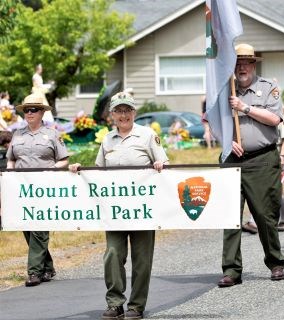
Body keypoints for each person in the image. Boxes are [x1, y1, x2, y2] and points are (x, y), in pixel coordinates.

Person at [69, 92, 168, 320]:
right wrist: (78, 170)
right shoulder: (107, 140)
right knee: (112, 254)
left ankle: (136, 306)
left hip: (143, 210)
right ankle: (115, 303)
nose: (123, 115)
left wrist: (160, 165)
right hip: (114, 211)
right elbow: (97, 173)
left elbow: (166, 166)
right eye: (118, 111)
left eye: (127, 110)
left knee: (142, 259)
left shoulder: (147, 135)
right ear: (111, 115)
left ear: (134, 113)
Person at [217, 43, 284, 288]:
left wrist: (244, 107)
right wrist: (226, 142)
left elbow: (275, 119)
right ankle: (231, 270)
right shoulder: (224, 89)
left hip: (261, 160)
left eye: (246, 62)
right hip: (232, 160)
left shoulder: (268, 88)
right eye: (237, 62)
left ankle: (275, 262)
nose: (241, 67)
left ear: (254, 64)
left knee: (264, 215)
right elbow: (214, 122)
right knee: (230, 216)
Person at [6, 93, 69, 286]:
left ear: (42, 112)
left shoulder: (52, 134)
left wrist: (50, 169)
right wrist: (9, 177)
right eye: (26, 110)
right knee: (27, 228)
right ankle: (47, 268)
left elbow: (64, 160)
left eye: (34, 109)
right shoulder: (17, 135)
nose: (29, 113)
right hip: (22, 189)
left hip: (45, 189)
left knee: (39, 230)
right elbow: (11, 159)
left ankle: (34, 272)